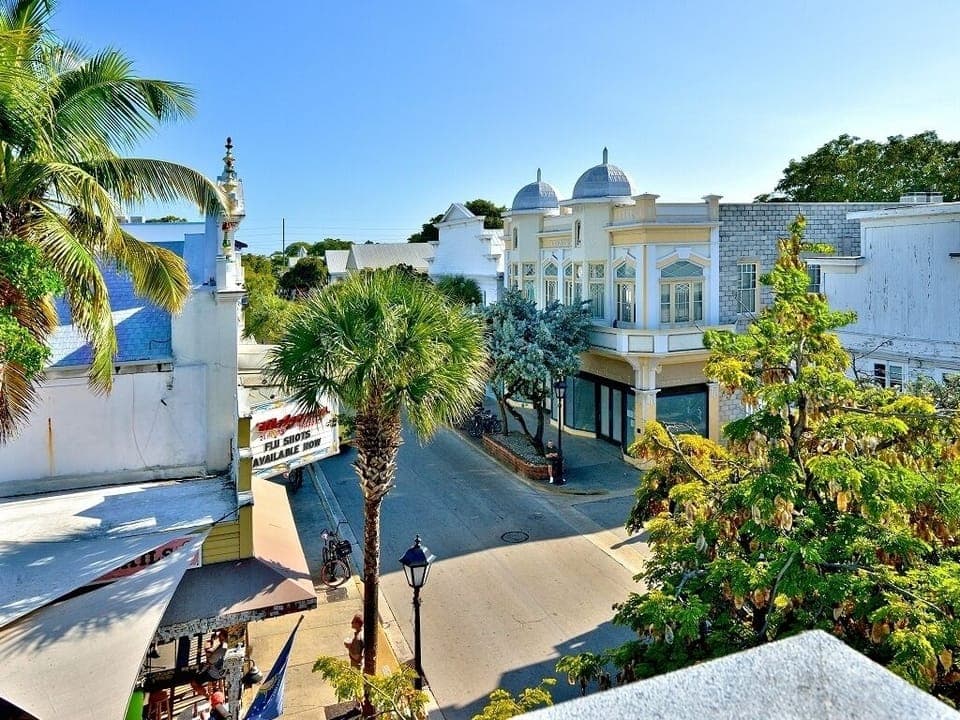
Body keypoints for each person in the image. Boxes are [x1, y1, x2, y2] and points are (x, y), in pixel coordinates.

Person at [190, 630, 228, 697]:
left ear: (221, 638)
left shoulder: (220, 650)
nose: (218, 638)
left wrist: (201, 670)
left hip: (214, 674)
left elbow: (209, 663)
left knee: (194, 683)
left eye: (219, 637)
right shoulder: (225, 645)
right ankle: (214, 687)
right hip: (222, 671)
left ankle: (207, 695)